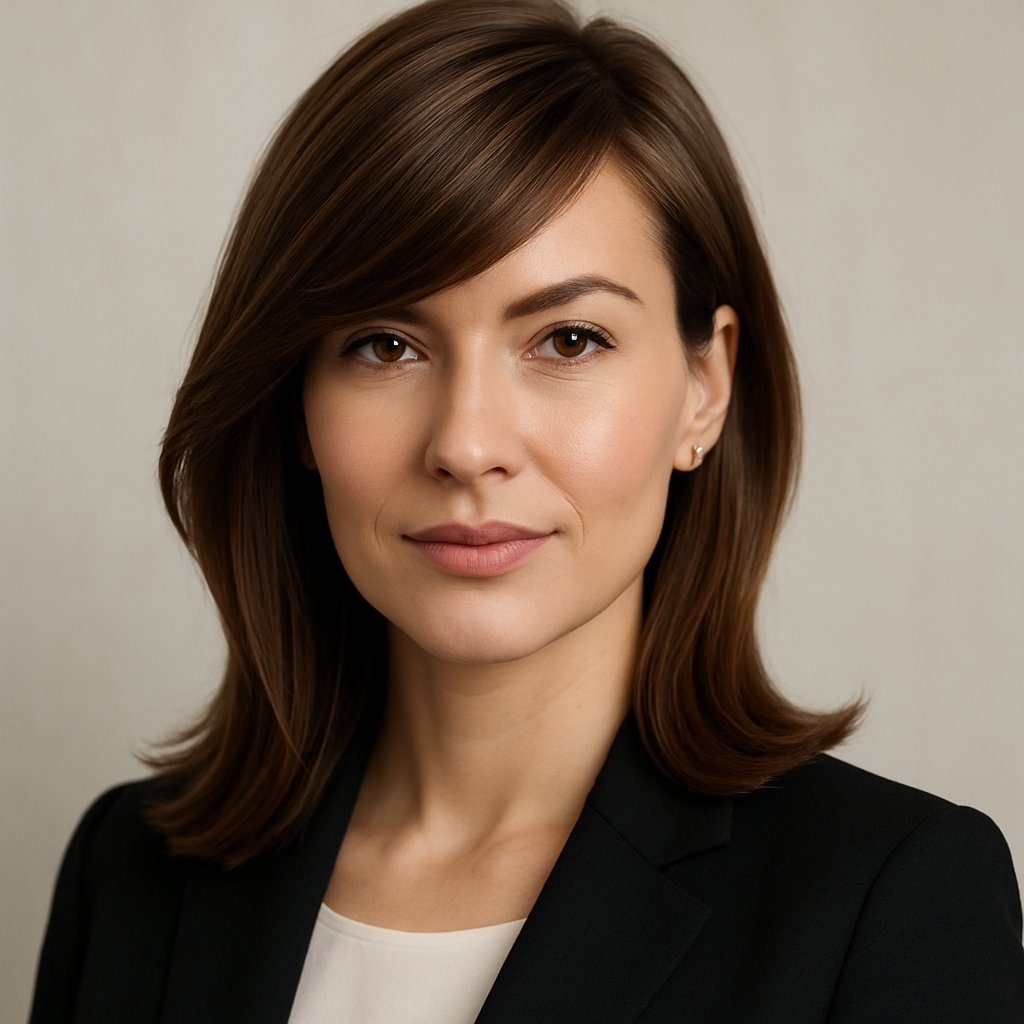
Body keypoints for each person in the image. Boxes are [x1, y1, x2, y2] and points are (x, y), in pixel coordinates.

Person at [28, 0, 1024, 1021]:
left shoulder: (891, 901)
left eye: (568, 340)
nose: (466, 445)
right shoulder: (131, 872)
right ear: (296, 405)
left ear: (705, 387)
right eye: (384, 344)